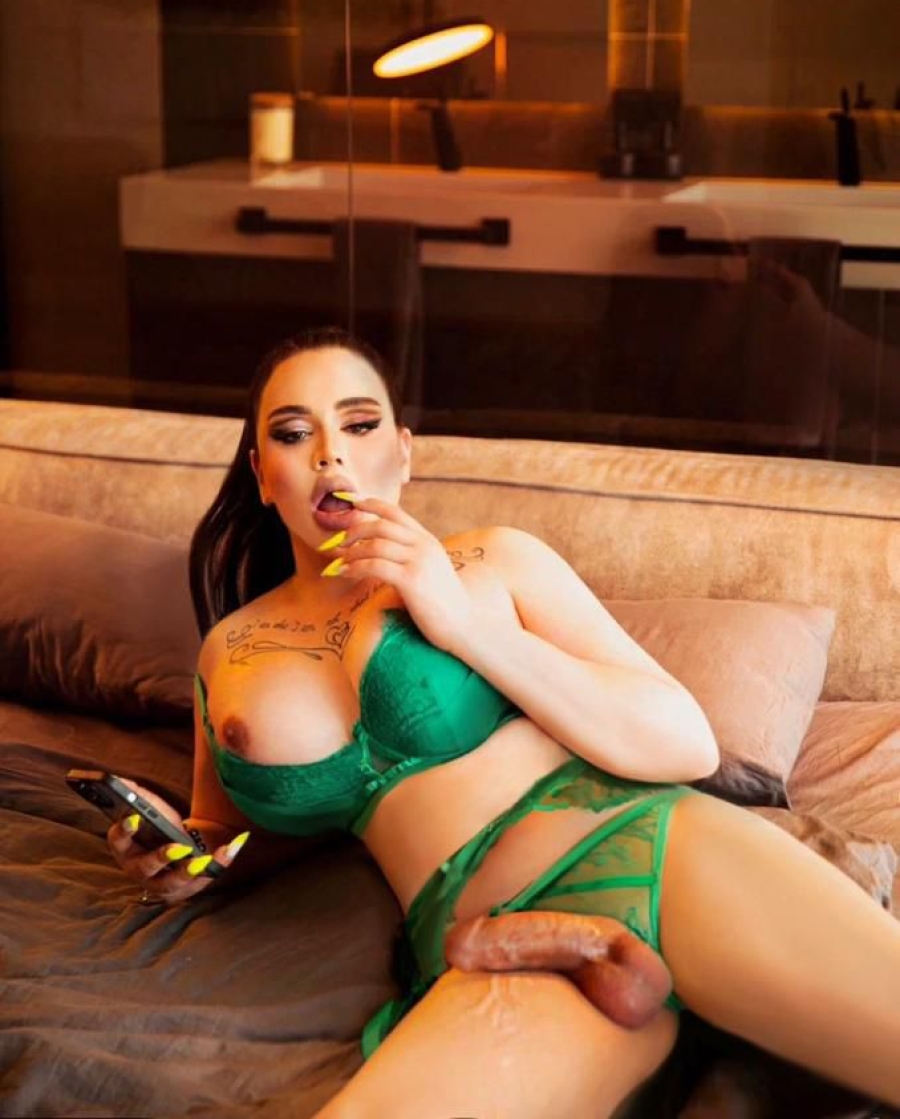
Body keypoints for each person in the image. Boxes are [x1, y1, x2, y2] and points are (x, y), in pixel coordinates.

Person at [108, 326, 900, 1119]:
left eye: (359, 423)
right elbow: (231, 834)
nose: (329, 453)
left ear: (403, 453)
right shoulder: (227, 650)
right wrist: (186, 859)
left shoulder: (492, 562)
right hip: (495, 942)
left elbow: (684, 741)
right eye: (292, 433)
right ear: (261, 473)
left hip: (654, 849)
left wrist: (460, 622)